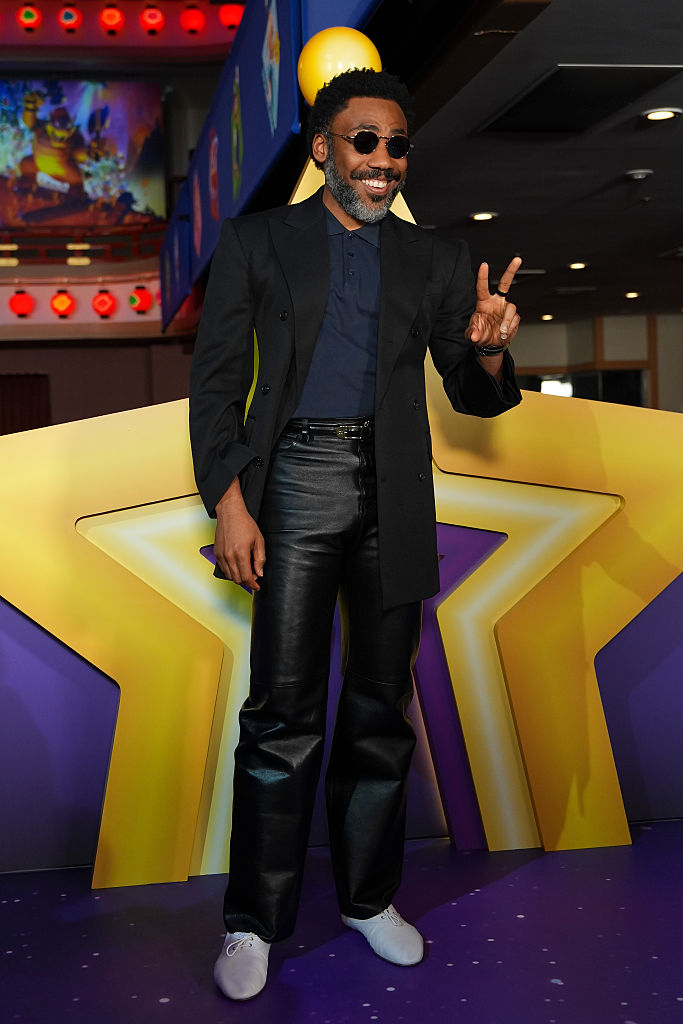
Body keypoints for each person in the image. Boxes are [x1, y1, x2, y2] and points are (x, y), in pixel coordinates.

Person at [189, 68, 522, 1001]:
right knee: (282, 714)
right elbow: (216, 383)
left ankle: (368, 900)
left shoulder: (437, 257)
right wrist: (229, 501)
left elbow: (472, 393)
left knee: (379, 708)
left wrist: (490, 348)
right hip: (292, 481)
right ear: (323, 150)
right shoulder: (256, 240)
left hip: (393, 492)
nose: (383, 159)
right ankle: (253, 922)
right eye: (364, 141)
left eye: (396, 144)